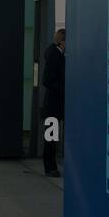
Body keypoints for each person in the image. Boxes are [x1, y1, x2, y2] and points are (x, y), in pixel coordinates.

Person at [41, 28, 65, 177]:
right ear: (62, 42)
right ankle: (50, 167)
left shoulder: (53, 53)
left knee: (51, 136)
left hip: (52, 104)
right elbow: (47, 80)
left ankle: (50, 166)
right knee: (51, 137)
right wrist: (63, 89)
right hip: (54, 104)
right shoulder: (55, 56)